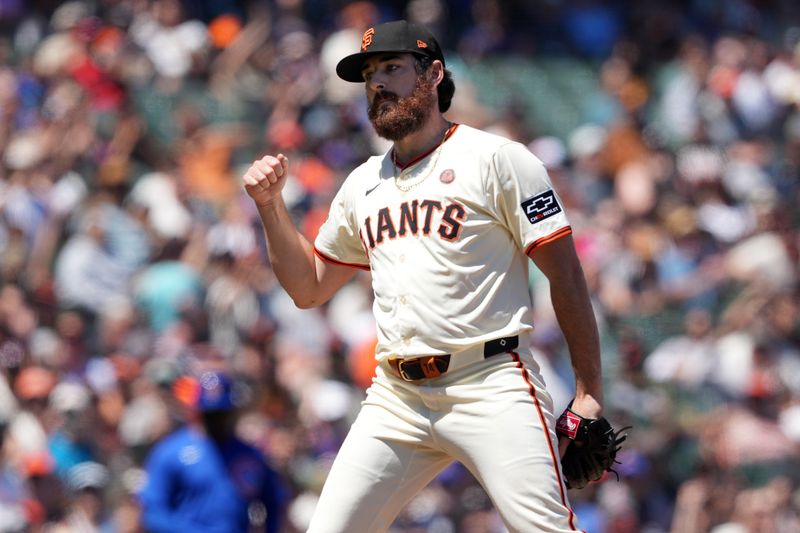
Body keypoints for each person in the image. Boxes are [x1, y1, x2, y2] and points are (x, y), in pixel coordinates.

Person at [242, 19, 603, 533]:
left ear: (434, 74)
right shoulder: (363, 183)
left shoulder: (497, 159)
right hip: (396, 397)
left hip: (490, 381)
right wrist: (270, 207)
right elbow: (308, 287)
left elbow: (566, 275)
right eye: (369, 74)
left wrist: (589, 392)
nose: (378, 84)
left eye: (392, 67)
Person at [138, 371, 286, 532]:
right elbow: (154, 513)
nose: (217, 420)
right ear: (197, 412)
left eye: (221, 414)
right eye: (211, 414)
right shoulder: (171, 452)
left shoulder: (248, 455)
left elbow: (273, 503)